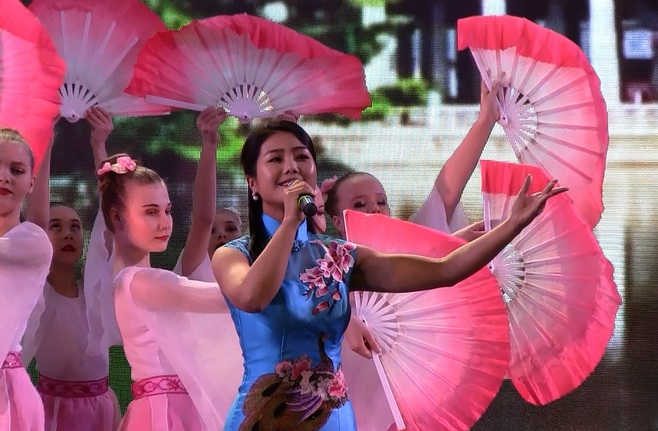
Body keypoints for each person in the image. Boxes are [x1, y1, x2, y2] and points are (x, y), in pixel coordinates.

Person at [211, 120, 566, 431]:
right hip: (262, 416)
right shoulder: (233, 255)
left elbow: (445, 269)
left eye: (301, 157)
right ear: (253, 183)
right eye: (276, 159)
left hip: (333, 419)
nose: (292, 166)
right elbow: (252, 297)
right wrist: (291, 221)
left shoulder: (339, 256)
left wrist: (512, 225)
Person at [22, 110, 121, 431]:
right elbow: (35, 220)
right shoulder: (36, 294)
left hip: (100, 411)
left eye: (75, 227)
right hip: (52, 412)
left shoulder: (95, 291)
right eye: (56, 226)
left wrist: (99, 145)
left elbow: (111, 223)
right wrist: (46, 141)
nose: (68, 234)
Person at [0, 128, 53, 431]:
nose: (4, 177)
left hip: (8, 396)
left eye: (16, 170)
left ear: (31, 182)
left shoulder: (33, 242)